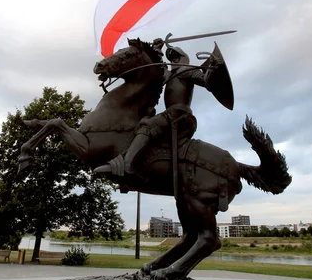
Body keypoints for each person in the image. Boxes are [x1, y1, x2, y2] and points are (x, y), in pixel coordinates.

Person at [94, 38, 221, 177]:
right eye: (171, 57)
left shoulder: (187, 70)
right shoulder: (170, 74)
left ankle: (126, 165)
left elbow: (206, 81)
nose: (173, 60)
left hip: (180, 115)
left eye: (176, 57)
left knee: (148, 125)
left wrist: (215, 67)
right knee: (141, 122)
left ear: (183, 58)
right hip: (170, 115)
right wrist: (157, 49)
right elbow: (159, 67)